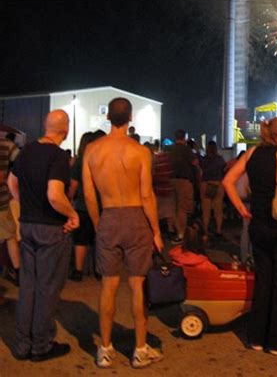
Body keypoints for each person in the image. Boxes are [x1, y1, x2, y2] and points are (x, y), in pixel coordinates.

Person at [82, 98, 164, 369]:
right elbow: (146, 194)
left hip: (108, 215)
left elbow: (88, 194)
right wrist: (156, 230)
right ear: (130, 117)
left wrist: (98, 223)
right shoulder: (140, 151)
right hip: (135, 216)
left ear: (109, 117)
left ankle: (105, 349)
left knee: (108, 285)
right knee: (137, 284)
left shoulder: (92, 151)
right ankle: (140, 349)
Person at [223, 117, 277, 355]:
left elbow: (228, 181)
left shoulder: (251, 154)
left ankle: (256, 337)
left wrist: (240, 207)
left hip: (257, 224)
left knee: (263, 279)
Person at [7, 110, 79, 362]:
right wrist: (72, 215)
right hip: (50, 228)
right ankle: (41, 345)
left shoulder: (26, 151)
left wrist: (26, 204)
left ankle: (22, 343)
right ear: (66, 130)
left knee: (28, 286)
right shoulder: (58, 156)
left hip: (27, 225)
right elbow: (55, 195)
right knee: (47, 288)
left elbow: (11, 182)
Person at [69, 130, 105, 281]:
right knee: (100, 239)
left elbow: (73, 185)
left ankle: (78, 270)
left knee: (81, 239)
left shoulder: (80, 160)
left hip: (82, 205)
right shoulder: (105, 159)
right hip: (103, 205)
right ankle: (100, 270)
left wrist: (69, 200)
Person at [169, 129, 199, 243]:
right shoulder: (186, 149)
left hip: (171, 180)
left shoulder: (170, 149)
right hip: (184, 181)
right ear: (184, 137)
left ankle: (177, 232)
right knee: (182, 209)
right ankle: (182, 234)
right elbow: (195, 162)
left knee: (174, 208)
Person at [0, 133, 21, 285]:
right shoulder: (7, 145)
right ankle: (18, 271)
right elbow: (23, 163)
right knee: (10, 236)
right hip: (2, 200)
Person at [200, 141, 226, 237]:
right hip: (218, 184)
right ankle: (218, 230)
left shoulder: (203, 160)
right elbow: (224, 169)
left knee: (206, 210)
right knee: (218, 210)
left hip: (206, 184)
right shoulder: (220, 159)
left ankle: (205, 231)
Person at [151, 140, 176, 237]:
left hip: (158, 188)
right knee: (170, 211)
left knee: (157, 211)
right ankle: (170, 230)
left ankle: (156, 231)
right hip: (168, 187)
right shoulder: (169, 158)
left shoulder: (155, 158)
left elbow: (152, 173)